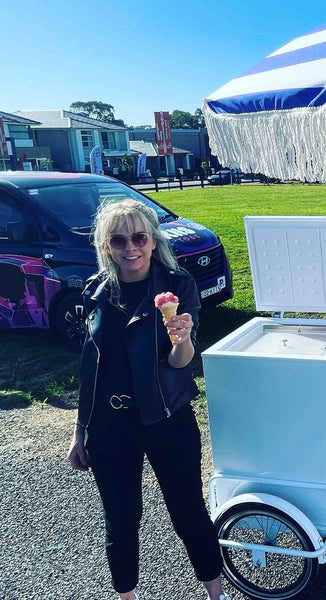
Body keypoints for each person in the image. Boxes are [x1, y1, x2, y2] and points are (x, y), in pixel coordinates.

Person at [67, 199, 230, 600]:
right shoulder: (97, 292)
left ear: (153, 241)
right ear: (106, 246)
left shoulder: (178, 287)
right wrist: (79, 430)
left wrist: (182, 338)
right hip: (109, 425)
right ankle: (127, 596)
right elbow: (91, 370)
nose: (130, 248)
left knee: (188, 513)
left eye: (139, 237)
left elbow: (181, 363)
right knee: (121, 519)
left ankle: (216, 593)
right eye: (118, 240)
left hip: (167, 418)